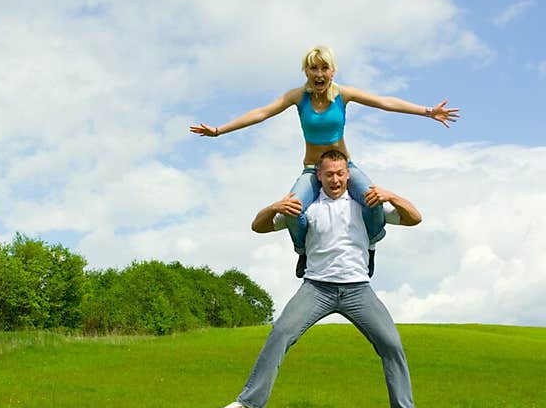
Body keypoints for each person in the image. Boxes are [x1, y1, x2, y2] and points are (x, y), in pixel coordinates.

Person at [211, 147, 439, 408]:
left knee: (391, 343)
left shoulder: (364, 206)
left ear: (348, 175)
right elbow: (258, 226)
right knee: (281, 333)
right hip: (316, 287)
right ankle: (246, 406)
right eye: (329, 174)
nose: (335, 179)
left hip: (357, 289)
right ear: (318, 177)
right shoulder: (308, 209)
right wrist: (275, 206)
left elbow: (415, 218)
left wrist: (390, 196)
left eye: (340, 173)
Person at [190, 45, 459, 270]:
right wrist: (218, 131)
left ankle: (372, 243)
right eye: (313, 68)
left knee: (372, 197)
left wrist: (427, 111)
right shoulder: (297, 96)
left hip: (343, 168)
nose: (318, 74)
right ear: (306, 71)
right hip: (311, 169)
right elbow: (262, 112)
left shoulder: (343, 94)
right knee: (293, 206)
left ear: (332, 71)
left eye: (324, 68)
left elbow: (384, 102)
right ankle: (303, 251)